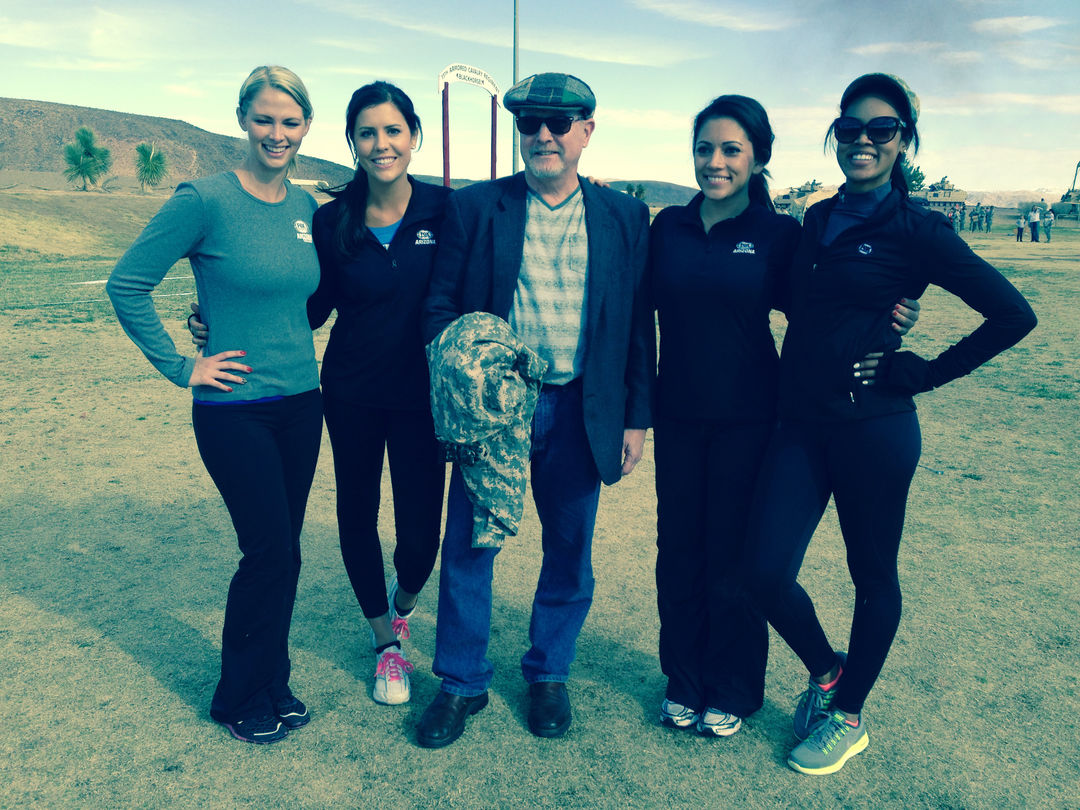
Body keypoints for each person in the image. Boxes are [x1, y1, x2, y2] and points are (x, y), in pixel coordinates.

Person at [745, 73, 1037, 776]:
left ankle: (848, 718)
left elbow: (1013, 315)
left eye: (882, 130)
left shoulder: (918, 230)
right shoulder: (818, 218)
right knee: (761, 571)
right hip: (799, 425)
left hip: (874, 429)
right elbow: (805, 305)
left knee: (871, 574)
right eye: (851, 129)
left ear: (904, 140)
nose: (864, 141)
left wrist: (922, 372)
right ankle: (827, 674)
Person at [649, 95, 919, 739]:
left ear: (758, 157)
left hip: (751, 418)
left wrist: (890, 321)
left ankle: (733, 688)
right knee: (677, 552)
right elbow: (637, 317)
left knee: (732, 557)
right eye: (704, 148)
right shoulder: (668, 229)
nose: (715, 162)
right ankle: (683, 679)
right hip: (677, 416)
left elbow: (823, 313)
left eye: (731, 149)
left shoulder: (778, 235)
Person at [190, 82, 451, 707]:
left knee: (421, 536)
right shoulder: (331, 220)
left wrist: (591, 188)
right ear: (352, 142)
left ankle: (403, 604)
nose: (381, 144)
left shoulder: (448, 210)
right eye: (367, 133)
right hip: (351, 394)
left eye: (393, 130)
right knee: (356, 513)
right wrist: (220, 320)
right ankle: (385, 643)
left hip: (423, 398)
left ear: (414, 136)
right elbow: (307, 308)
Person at [416, 72, 654, 748]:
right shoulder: (475, 208)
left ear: (587, 130)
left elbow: (636, 324)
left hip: (582, 408)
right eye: (529, 123)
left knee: (570, 549)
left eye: (560, 122)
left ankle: (549, 673)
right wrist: (464, 370)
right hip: (495, 414)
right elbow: (440, 305)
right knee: (470, 545)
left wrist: (636, 418)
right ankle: (461, 682)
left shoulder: (625, 217)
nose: (544, 135)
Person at [107, 66, 322, 744]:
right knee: (267, 551)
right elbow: (126, 284)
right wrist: (183, 364)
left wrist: (214, 313)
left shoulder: (306, 208)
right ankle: (238, 697)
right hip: (234, 409)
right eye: (265, 119)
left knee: (286, 551)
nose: (277, 133)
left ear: (305, 127)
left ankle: (273, 679)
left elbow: (298, 300)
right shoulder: (203, 200)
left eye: (290, 122)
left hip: (302, 403)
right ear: (242, 121)